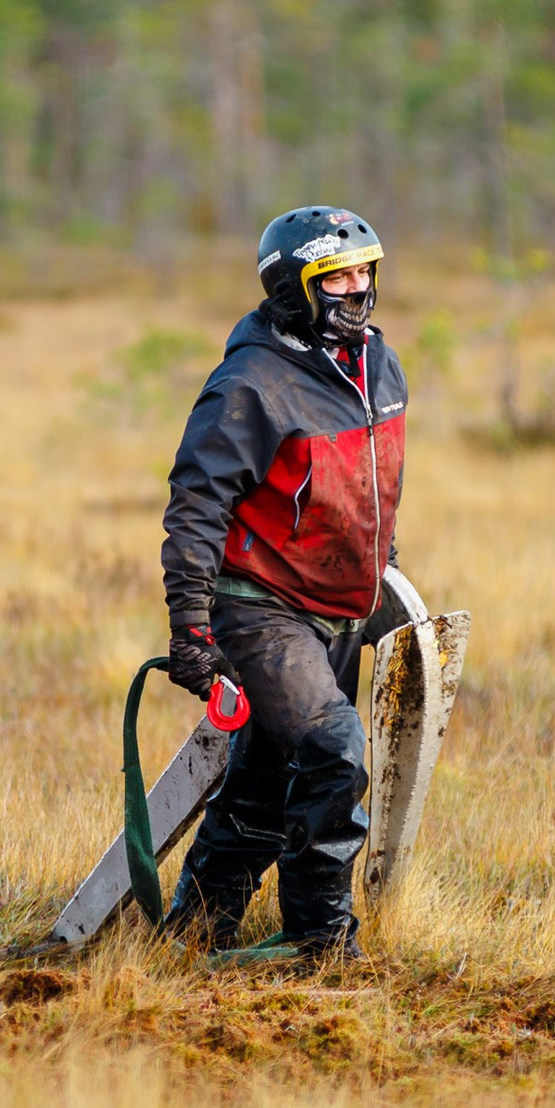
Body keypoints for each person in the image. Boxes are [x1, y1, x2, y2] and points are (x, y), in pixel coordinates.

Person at [159, 206, 411, 961]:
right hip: (262, 607)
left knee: (265, 780)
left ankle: (194, 933)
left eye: (364, 271)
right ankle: (319, 941)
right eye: (337, 276)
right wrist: (191, 630)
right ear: (292, 286)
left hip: (341, 608)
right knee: (335, 750)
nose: (357, 288)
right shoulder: (249, 383)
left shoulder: (377, 363)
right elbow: (197, 506)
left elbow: (371, 479)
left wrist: (381, 563)